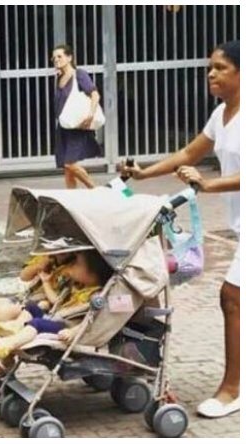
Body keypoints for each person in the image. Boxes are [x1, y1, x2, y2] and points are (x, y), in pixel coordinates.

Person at [121, 40, 239, 419]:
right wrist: (143, 173)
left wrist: (208, 185)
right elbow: (189, 155)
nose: (211, 73)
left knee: (232, 297)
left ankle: (233, 389)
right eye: (211, 67)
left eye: (221, 67)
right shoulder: (221, 116)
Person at [0, 250, 110, 358]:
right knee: (32, 306)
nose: (71, 267)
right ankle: (14, 327)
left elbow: (93, 321)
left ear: (93, 273)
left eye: (77, 265)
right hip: (56, 316)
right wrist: (46, 282)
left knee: (38, 323)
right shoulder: (76, 286)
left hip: (67, 326)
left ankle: (10, 344)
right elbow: (56, 301)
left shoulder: (96, 296)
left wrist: (73, 332)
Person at [51, 44, 101, 189]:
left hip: (78, 127)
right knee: (67, 169)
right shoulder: (59, 77)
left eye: (59, 56)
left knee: (70, 163)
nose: (56, 60)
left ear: (69, 57)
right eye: (54, 57)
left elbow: (95, 94)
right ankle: (72, 197)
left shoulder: (79, 74)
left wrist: (91, 115)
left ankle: (95, 189)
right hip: (64, 126)